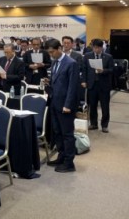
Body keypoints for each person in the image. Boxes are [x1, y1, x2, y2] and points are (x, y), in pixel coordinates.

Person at [44, 39, 79, 173]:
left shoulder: (71, 63)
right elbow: (58, 81)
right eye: (49, 52)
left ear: (59, 48)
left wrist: (68, 105)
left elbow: (72, 86)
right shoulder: (54, 62)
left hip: (65, 105)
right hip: (54, 102)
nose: (51, 55)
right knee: (57, 132)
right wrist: (49, 82)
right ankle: (61, 156)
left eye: (52, 52)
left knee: (67, 134)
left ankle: (69, 162)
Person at [81, 39, 114, 132]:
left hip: (104, 85)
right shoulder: (87, 56)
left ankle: (104, 125)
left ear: (101, 48)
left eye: (98, 48)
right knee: (92, 106)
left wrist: (103, 70)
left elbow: (112, 70)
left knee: (105, 106)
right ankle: (93, 123)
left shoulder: (108, 57)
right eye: (94, 48)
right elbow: (84, 69)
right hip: (92, 85)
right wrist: (84, 81)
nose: (96, 50)